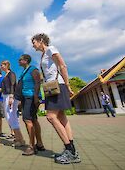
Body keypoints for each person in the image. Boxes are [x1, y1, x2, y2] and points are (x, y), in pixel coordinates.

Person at [31, 33, 80, 164]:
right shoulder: (43, 55)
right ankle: (73, 151)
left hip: (58, 85)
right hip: (51, 87)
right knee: (62, 117)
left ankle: (69, 150)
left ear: (41, 40)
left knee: (51, 117)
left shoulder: (51, 49)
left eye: (34, 42)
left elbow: (62, 66)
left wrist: (68, 85)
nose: (33, 45)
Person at [18, 54, 45, 156]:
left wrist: (36, 98)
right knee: (33, 119)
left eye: (20, 60)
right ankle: (39, 143)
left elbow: (38, 83)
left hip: (31, 97)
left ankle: (31, 146)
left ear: (26, 60)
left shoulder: (33, 70)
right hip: (25, 97)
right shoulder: (24, 71)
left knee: (27, 119)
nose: (19, 61)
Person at [0, 60, 25, 147]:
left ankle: (20, 139)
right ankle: (18, 138)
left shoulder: (11, 74)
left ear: (7, 65)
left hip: (10, 96)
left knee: (12, 117)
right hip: (5, 96)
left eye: (2, 65)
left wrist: (11, 96)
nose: (1, 67)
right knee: (9, 117)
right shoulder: (5, 75)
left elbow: (13, 84)